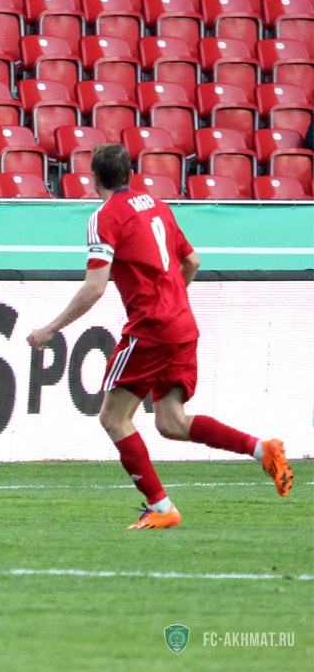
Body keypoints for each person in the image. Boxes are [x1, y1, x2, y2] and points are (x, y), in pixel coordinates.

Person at [26, 143, 293, 530]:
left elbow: (94, 287)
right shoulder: (157, 206)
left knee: (114, 418)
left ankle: (162, 507)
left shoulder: (104, 217)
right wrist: (172, 301)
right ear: (130, 175)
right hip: (182, 324)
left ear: (94, 179)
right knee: (171, 422)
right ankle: (262, 449)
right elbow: (192, 262)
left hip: (151, 328)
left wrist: (51, 328)